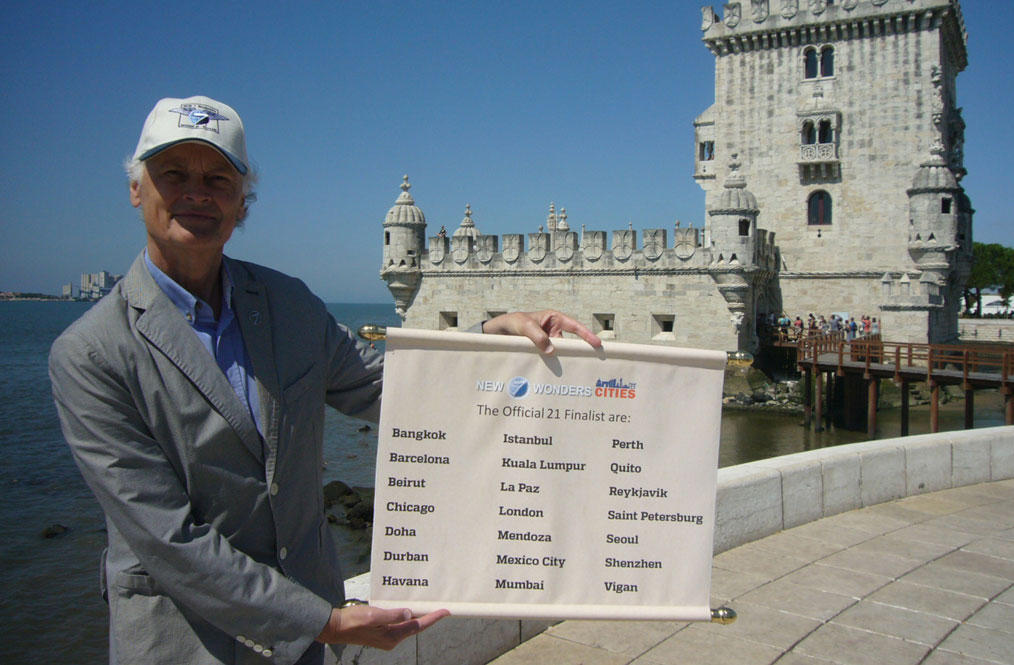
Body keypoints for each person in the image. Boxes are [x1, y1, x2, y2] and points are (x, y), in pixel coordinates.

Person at [49, 96, 602, 665]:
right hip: (184, 644)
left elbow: (388, 385)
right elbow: (167, 538)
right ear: (137, 189)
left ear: (243, 201)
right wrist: (324, 621)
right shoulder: (91, 354)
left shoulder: (287, 304)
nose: (197, 192)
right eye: (173, 174)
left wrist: (493, 337)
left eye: (218, 177)